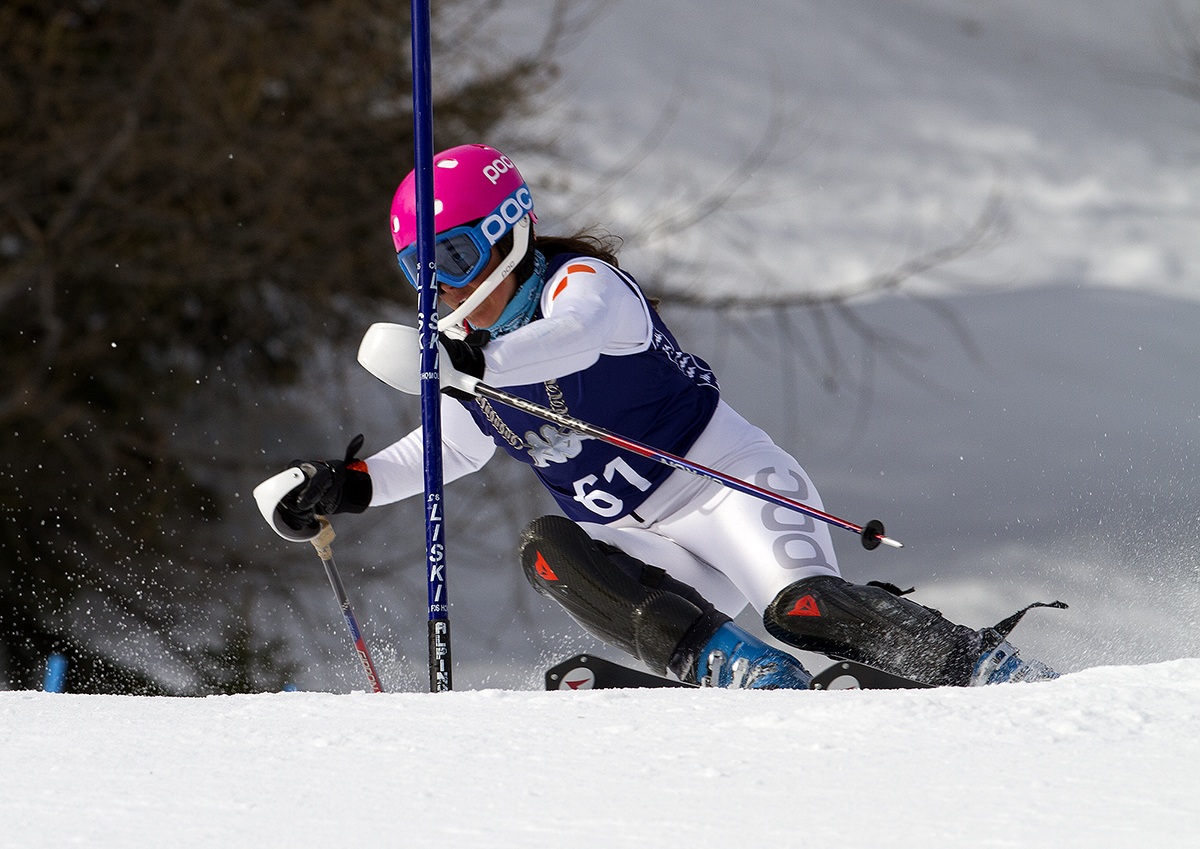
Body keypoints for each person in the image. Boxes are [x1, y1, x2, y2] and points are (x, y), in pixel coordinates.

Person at [264, 143, 1060, 688]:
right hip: (639, 537)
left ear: (509, 234)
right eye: (420, 272)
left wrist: (469, 366)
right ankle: (733, 667)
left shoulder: (585, 286)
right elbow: (452, 450)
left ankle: (978, 665)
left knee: (804, 610)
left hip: (730, 487)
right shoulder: (460, 350)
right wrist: (345, 485)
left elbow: (569, 345)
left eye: (455, 261)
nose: (439, 289)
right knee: (546, 549)